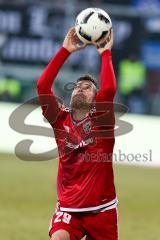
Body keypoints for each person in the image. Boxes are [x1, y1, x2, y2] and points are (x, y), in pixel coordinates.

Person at [37, 27, 118, 240]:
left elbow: (109, 90)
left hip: (102, 209)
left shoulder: (102, 122)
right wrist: (65, 50)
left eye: (88, 87)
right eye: (78, 86)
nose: (81, 88)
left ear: (95, 99)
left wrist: (105, 53)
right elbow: (42, 85)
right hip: (68, 209)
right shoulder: (59, 119)